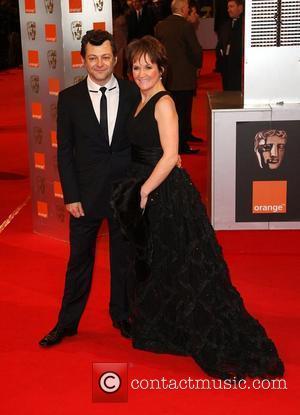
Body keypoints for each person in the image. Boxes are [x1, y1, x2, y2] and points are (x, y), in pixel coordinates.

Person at [111, 35, 284, 379]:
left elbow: (172, 155)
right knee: (160, 264)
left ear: (162, 68)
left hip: (164, 194)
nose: (142, 72)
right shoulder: (139, 100)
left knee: (181, 266)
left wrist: (143, 193)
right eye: (136, 67)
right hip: (147, 188)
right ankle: (164, 324)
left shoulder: (163, 103)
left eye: (149, 66)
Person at [39, 30, 139, 347]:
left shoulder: (132, 92)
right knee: (79, 260)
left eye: (105, 57)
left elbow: (140, 144)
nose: (99, 64)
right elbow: (64, 151)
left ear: (115, 58)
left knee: (124, 259)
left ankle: (122, 315)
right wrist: (71, 195)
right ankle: (67, 323)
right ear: (83, 60)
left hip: (125, 191)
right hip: (85, 196)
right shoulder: (69, 99)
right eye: (92, 58)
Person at [155, 0, 203, 154]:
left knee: (172, 111)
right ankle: (182, 145)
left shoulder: (161, 25)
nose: (189, 10)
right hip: (184, 77)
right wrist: (197, 65)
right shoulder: (185, 26)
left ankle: (185, 136)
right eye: (188, 7)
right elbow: (195, 51)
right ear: (183, 9)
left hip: (168, 76)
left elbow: (158, 51)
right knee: (183, 111)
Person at [218, 0, 243, 91]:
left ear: (240, 8)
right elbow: (220, 45)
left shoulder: (245, 26)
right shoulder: (225, 26)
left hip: (239, 70)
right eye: (228, 7)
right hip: (226, 69)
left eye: (231, 6)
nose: (228, 10)